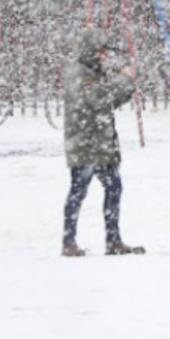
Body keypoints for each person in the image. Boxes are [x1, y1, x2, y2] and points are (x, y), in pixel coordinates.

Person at [61, 26, 144, 257]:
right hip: (85, 144)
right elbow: (98, 98)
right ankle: (68, 241)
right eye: (100, 51)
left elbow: (108, 101)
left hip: (100, 143)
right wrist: (124, 78)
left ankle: (113, 240)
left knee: (114, 188)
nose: (104, 56)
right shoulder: (79, 73)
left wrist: (127, 86)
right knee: (79, 190)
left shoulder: (93, 72)